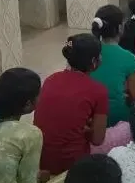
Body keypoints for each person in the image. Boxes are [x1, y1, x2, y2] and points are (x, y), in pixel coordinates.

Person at [34, 34, 109, 175]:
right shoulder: (98, 90)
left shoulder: (50, 80)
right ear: (94, 61)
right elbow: (98, 140)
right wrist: (86, 129)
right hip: (72, 167)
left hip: (41, 161)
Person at [89, 5, 135, 125]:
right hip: (117, 117)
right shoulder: (129, 58)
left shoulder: (88, 53)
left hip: (89, 113)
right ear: (120, 28)